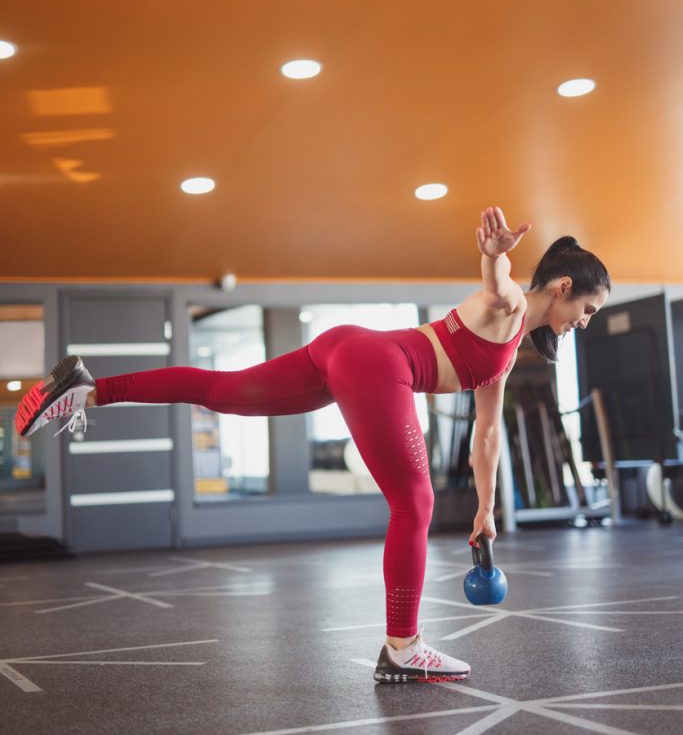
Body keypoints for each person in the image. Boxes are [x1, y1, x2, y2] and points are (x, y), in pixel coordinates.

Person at [15, 206, 610, 684]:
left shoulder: (505, 352)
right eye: (588, 308)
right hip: (380, 363)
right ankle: (404, 647)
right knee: (415, 503)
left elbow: (484, 434)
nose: (585, 320)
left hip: (348, 348)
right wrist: (493, 256)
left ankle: (88, 390)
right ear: (562, 287)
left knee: (224, 392)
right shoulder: (507, 309)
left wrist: (484, 509)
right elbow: (501, 286)